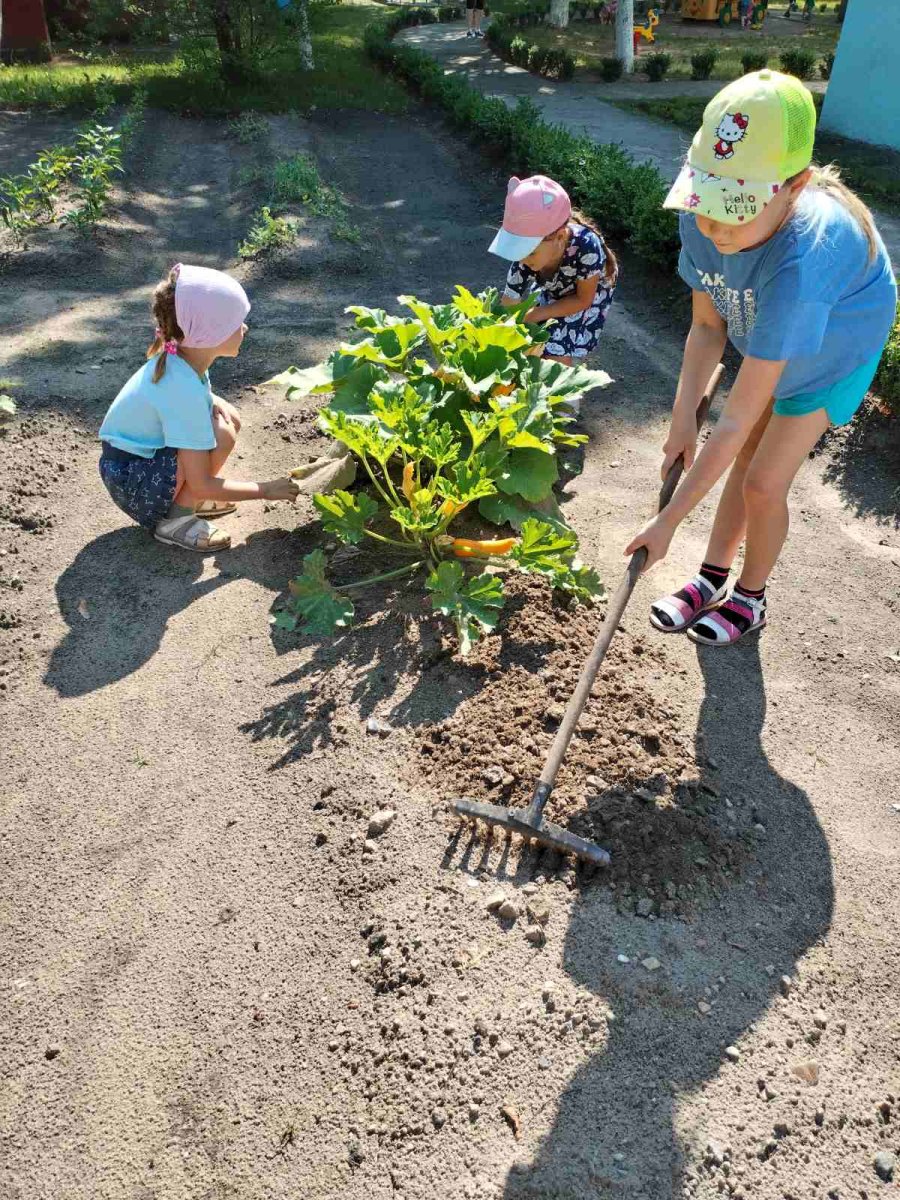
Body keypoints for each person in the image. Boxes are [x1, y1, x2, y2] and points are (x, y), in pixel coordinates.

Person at [625, 70, 896, 646]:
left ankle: (751, 597)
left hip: (832, 352)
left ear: (793, 187)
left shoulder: (803, 262)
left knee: (764, 482)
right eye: (706, 205)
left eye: (734, 209)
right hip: (776, 331)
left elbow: (735, 418)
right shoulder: (704, 219)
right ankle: (710, 578)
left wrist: (666, 523)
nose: (714, 225)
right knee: (745, 457)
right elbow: (705, 325)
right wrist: (680, 422)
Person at [98, 264, 299, 553]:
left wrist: (210, 399)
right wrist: (265, 490)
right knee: (223, 434)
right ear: (208, 335)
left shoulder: (181, 359)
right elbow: (203, 482)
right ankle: (174, 520)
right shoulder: (183, 388)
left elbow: (188, 396)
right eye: (235, 323)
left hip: (133, 467)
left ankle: (184, 499)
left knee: (227, 417)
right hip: (133, 483)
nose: (244, 328)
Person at [490, 174, 618, 382]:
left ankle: (564, 401)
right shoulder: (526, 257)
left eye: (529, 252)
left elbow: (582, 300)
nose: (522, 260)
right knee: (535, 332)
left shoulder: (587, 246)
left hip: (586, 294)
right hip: (554, 286)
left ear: (558, 238)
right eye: (518, 250)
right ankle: (532, 382)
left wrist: (533, 314)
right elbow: (509, 302)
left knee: (557, 338)